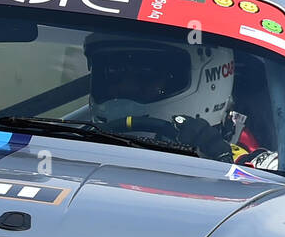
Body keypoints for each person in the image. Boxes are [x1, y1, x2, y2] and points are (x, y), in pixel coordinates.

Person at [83, 34, 271, 165]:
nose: (124, 88)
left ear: (209, 79)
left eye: (148, 73)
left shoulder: (249, 166)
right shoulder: (70, 136)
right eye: (112, 73)